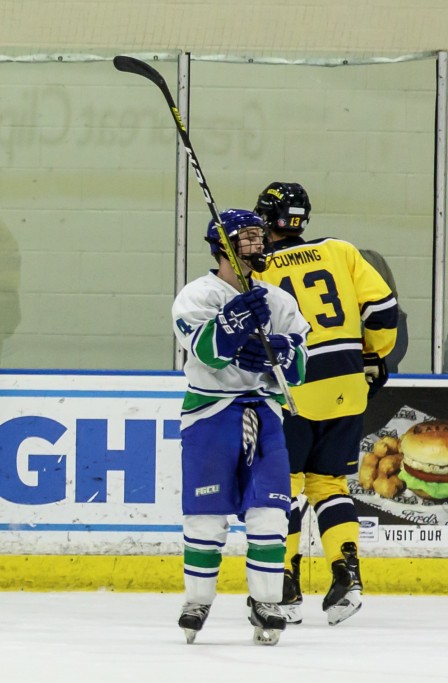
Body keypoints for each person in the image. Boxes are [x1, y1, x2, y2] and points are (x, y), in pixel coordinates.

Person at [253, 181, 399, 626]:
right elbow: (383, 310)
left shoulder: (257, 269)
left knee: (289, 485)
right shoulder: (341, 251)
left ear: (265, 219)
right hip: (348, 383)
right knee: (330, 484)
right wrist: (373, 354)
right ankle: (346, 575)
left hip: (294, 386)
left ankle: (284, 580)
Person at [171, 208, 309, 646]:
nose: (258, 244)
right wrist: (234, 323)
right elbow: (210, 354)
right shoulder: (197, 295)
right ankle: (197, 600)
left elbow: (302, 366)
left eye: (258, 237)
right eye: (247, 238)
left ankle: (267, 601)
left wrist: (281, 353)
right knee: (206, 518)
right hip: (209, 415)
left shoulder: (279, 299)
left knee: (270, 511)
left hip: (265, 412)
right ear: (223, 247)